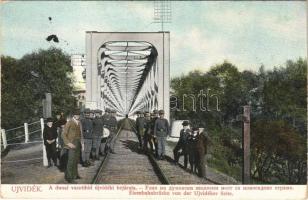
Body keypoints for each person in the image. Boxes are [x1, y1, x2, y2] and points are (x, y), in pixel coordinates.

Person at [62, 109, 83, 183]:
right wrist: (68, 143)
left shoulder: (79, 122)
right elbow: (63, 134)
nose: (77, 116)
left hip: (78, 142)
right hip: (71, 143)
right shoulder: (69, 122)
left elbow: (81, 134)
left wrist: (82, 144)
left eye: (79, 114)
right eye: (76, 114)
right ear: (73, 115)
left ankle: (75, 174)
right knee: (71, 160)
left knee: (76, 160)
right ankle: (69, 177)